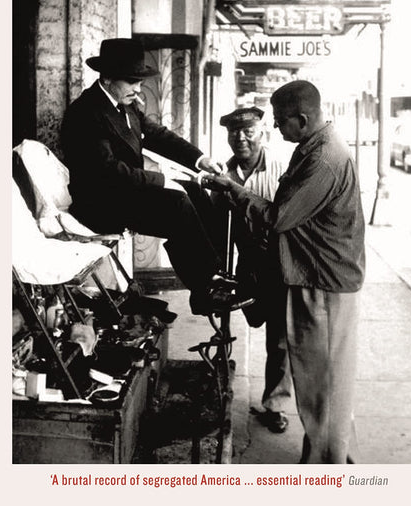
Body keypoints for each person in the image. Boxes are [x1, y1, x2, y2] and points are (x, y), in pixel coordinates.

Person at [202, 81, 365, 463]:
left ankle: (327, 466)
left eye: (278, 120)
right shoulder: (313, 148)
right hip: (312, 276)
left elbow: (278, 217)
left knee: (323, 383)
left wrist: (234, 190)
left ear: (302, 120)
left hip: (322, 282)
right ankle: (330, 453)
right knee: (323, 382)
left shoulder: (323, 159)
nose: (275, 128)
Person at [61, 38, 252, 316]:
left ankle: (214, 275)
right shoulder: (86, 112)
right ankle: (206, 290)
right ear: (108, 77)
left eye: (139, 81)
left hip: (126, 192)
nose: (138, 88)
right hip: (100, 203)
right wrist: (161, 181)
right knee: (177, 204)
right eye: (131, 81)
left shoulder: (124, 104)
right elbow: (108, 171)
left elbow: (158, 136)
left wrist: (200, 160)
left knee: (196, 192)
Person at [216, 106, 293, 433]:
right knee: (229, 323)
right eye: (235, 132)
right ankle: (219, 391)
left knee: (280, 339)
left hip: (278, 261)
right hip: (246, 263)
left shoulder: (280, 167)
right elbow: (218, 227)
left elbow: (284, 216)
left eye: (248, 131)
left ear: (262, 132)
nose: (241, 139)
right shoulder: (225, 173)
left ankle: (275, 405)